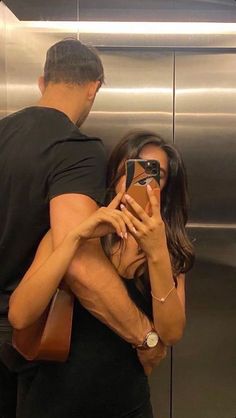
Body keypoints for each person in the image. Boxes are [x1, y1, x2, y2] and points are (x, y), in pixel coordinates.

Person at [0, 39, 162, 418]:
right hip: (28, 346)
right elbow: (78, 264)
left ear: (43, 82)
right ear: (94, 87)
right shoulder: (75, 148)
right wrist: (145, 336)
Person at [9, 130, 194, 418]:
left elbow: (170, 332)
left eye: (154, 174)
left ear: (166, 186)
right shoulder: (76, 230)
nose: (142, 183)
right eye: (133, 169)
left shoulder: (169, 249)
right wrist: (76, 237)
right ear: (116, 174)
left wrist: (157, 251)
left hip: (129, 407)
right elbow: (20, 315)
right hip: (53, 404)